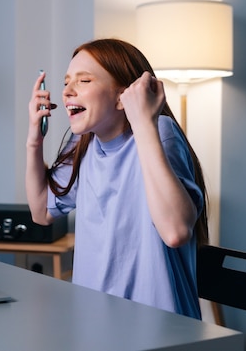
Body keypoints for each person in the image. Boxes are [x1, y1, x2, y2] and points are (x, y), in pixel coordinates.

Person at [25, 38, 208, 319]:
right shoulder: (82, 144)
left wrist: (144, 121)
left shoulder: (159, 131)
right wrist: (34, 142)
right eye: (66, 82)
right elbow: (41, 212)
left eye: (84, 81)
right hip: (97, 324)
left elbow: (176, 232)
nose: (67, 92)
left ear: (124, 96)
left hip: (161, 328)